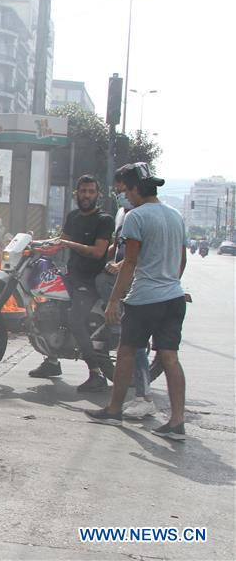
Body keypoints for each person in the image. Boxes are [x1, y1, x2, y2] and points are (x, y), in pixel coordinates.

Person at [86, 162, 188, 441]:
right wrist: (171, 282)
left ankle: (114, 409)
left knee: (127, 352)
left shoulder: (136, 217)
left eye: (126, 190)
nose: (125, 195)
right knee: (169, 357)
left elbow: (129, 262)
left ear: (136, 188)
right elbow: (181, 260)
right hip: (173, 297)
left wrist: (113, 301)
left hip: (144, 300)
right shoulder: (176, 215)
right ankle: (177, 422)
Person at [28, 174, 114, 393]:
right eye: (83, 191)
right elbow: (59, 243)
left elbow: (98, 252)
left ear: (98, 195)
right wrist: (34, 244)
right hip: (71, 275)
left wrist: (68, 243)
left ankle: (96, 373)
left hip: (91, 281)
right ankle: (52, 362)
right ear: (77, 194)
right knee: (51, 307)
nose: (86, 195)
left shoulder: (104, 220)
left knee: (75, 320)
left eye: (91, 191)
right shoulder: (73, 216)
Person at [97, 172, 155, 419]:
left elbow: (136, 257)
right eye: (118, 190)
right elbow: (118, 247)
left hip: (136, 288)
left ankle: (143, 396)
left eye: (124, 190)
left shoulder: (143, 216)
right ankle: (116, 406)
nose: (122, 195)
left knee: (135, 345)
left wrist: (119, 269)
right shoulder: (124, 215)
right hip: (123, 279)